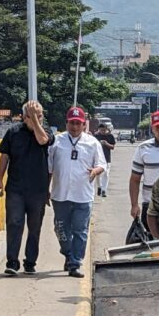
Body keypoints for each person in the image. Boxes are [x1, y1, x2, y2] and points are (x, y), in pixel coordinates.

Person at [0, 100, 54, 276]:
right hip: (16, 188)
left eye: (40, 115)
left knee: (34, 227)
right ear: (23, 117)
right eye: (32, 115)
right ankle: (12, 262)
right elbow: (4, 157)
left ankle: (30, 262)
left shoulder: (47, 131)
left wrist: (34, 119)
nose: (37, 118)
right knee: (14, 223)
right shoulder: (13, 132)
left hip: (38, 190)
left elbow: (42, 141)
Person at [48, 106, 106, 277]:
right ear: (66, 123)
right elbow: (49, 168)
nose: (74, 126)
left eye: (78, 123)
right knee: (61, 229)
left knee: (80, 231)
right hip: (60, 194)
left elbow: (102, 164)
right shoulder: (56, 141)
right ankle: (68, 254)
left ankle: (75, 263)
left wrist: (95, 171)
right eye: (72, 123)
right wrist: (45, 189)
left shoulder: (92, 143)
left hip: (83, 195)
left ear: (84, 125)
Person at [94, 123, 115, 197]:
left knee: (106, 174)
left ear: (106, 129)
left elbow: (113, 147)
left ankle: (104, 190)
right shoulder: (96, 136)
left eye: (104, 130)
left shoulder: (110, 136)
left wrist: (106, 143)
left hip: (107, 158)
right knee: (98, 174)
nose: (102, 131)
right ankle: (99, 187)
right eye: (101, 130)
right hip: (98, 158)